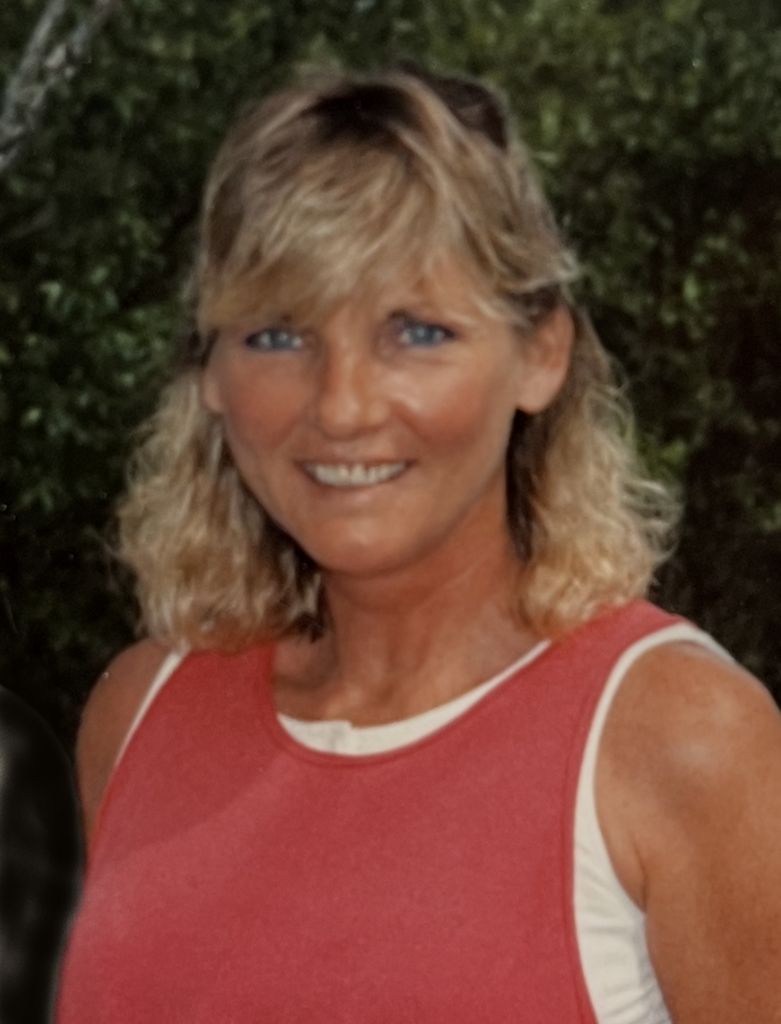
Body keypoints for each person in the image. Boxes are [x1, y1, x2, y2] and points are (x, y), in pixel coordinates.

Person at [56, 67, 781, 1022]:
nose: (342, 406)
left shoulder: (682, 741)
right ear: (210, 374)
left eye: (417, 332)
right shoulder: (139, 715)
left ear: (540, 353)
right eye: (278, 336)